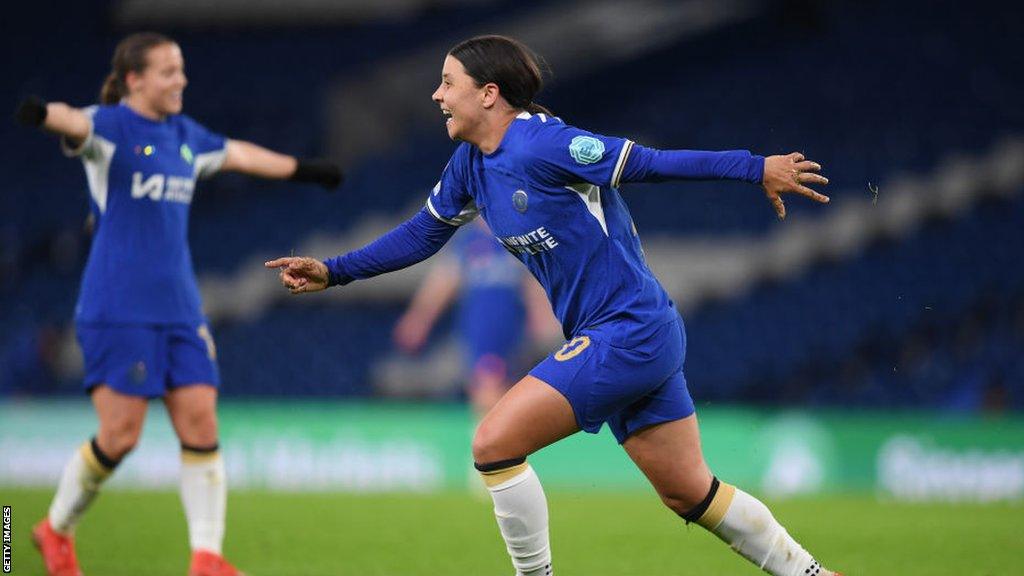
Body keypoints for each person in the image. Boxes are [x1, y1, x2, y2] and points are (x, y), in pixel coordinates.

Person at [267, 35, 839, 576]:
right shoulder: (470, 164)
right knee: (690, 492)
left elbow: (648, 163)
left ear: (488, 93)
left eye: (447, 83)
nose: (438, 96)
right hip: (629, 333)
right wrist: (334, 271)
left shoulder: (547, 144)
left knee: (493, 444)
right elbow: (421, 235)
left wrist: (753, 166)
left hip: (628, 330)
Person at [15, 32, 342, 576]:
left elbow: (237, 153)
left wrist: (303, 170)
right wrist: (42, 114)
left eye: (182, 69)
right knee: (121, 436)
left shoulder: (187, 136)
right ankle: (54, 528)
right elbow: (74, 120)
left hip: (180, 307)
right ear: (134, 80)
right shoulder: (112, 128)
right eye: (168, 71)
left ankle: (207, 557)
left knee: (201, 424)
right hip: (118, 305)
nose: (181, 80)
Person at [393, 217, 560, 416]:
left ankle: (499, 438)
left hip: (512, 330)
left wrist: (542, 317)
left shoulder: (517, 239)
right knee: (487, 387)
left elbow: (532, 284)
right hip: (481, 330)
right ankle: (490, 439)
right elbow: (443, 282)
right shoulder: (467, 242)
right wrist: (418, 320)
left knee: (507, 390)